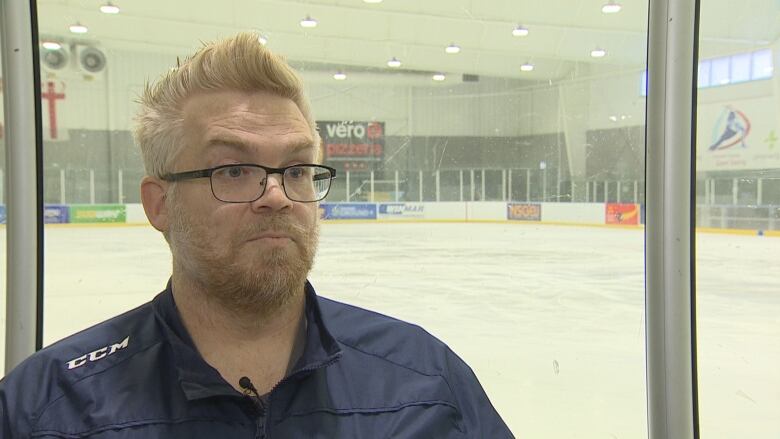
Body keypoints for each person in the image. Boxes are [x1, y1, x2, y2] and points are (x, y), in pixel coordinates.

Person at [0, 33, 513, 438]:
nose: (278, 196)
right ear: (160, 205)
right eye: (233, 171)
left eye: (296, 169)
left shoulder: (426, 383)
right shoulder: (49, 407)